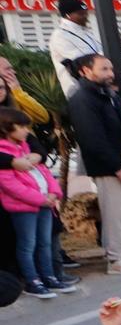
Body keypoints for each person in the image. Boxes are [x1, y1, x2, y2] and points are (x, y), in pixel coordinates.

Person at [67, 53, 121, 274]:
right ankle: (116, 259)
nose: (110, 74)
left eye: (110, 69)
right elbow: (92, 138)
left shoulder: (108, 95)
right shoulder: (82, 99)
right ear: (85, 71)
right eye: (104, 69)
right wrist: (116, 166)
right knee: (115, 213)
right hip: (108, 166)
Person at [0, 106, 75, 297]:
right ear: (6, 128)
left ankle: (49, 276)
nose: (26, 130)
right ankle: (32, 280)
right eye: (21, 126)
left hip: (44, 204)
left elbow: (44, 172)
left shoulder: (26, 147)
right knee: (27, 244)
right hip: (25, 207)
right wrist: (41, 199)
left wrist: (53, 192)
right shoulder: (5, 154)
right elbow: (11, 185)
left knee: (44, 242)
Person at [47, 0, 102, 98]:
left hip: (97, 88)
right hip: (80, 91)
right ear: (67, 15)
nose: (85, 16)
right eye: (81, 14)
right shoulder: (60, 36)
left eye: (86, 13)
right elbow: (84, 62)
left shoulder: (86, 32)